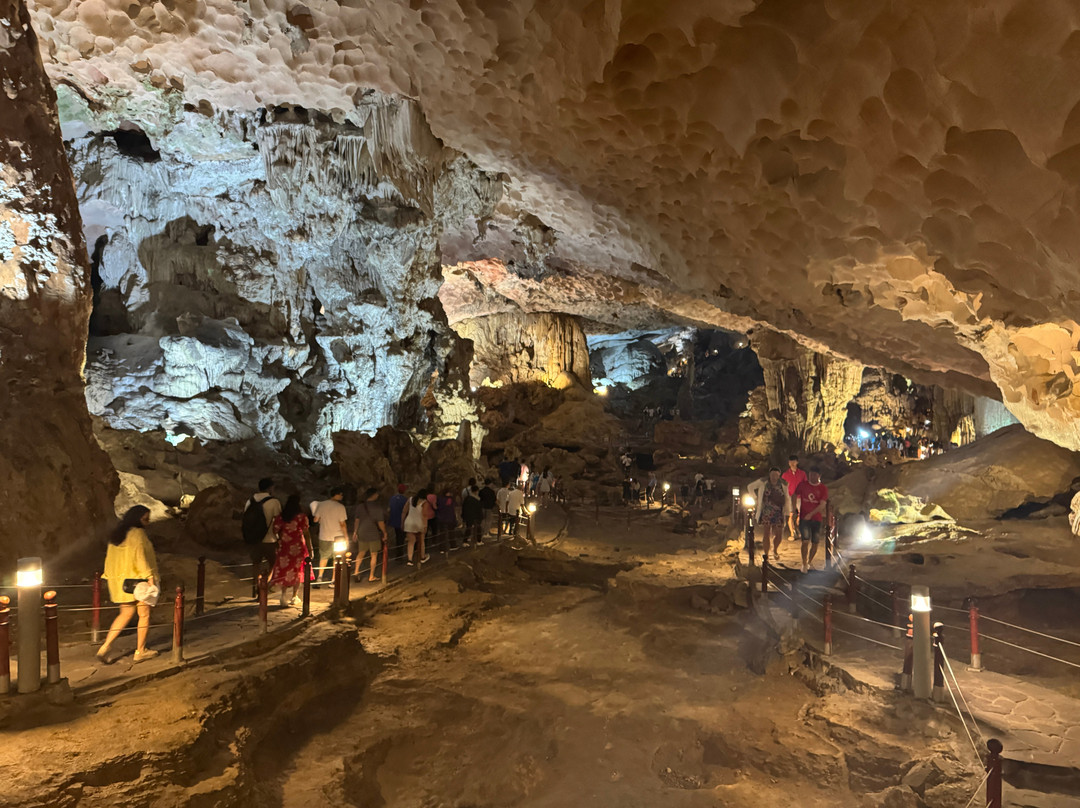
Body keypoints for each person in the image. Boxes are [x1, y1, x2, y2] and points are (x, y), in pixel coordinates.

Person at [98, 506, 160, 663]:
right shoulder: (137, 534)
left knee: (125, 614)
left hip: (121, 583)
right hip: (139, 582)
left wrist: (109, 577)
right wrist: (150, 578)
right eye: (145, 518)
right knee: (144, 615)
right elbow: (140, 557)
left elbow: (109, 560)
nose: (148, 521)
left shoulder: (117, 535)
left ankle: (105, 646)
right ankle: (141, 651)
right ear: (137, 518)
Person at [271, 494, 312, 607]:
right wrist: (310, 548)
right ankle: (294, 596)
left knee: (284, 570)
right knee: (297, 570)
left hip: (284, 546)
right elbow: (306, 533)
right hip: (298, 546)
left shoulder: (282, 516)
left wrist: (281, 538)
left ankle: (283, 596)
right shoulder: (301, 517)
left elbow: (275, 530)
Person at [747, 467, 791, 562]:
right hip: (766, 511)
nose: (774, 477)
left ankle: (775, 549)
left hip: (779, 511)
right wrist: (755, 498)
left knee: (779, 534)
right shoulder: (763, 482)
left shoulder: (783, 484)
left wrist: (788, 511)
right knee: (766, 532)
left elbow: (787, 498)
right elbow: (750, 487)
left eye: (776, 475)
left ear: (779, 476)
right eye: (772, 475)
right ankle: (766, 554)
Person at [244, 477, 281, 585]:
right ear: (270, 488)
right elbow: (278, 521)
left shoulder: (250, 501)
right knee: (273, 563)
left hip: (253, 539)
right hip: (269, 539)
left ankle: (257, 585)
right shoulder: (274, 502)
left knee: (256, 563)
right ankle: (266, 585)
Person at [794, 469, 829, 573]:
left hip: (816, 518)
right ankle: (804, 562)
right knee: (805, 540)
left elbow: (822, 504)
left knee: (815, 542)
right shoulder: (803, 485)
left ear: (819, 475)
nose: (812, 477)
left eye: (814, 474)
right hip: (804, 517)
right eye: (810, 474)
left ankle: (809, 561)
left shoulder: (822, 488)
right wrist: (794, 508)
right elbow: (795, 494)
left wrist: (811, 514)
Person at [352, 487, 387, 582]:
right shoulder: (377, 507)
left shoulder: (360, 506)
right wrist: (384, 533)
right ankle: (371, 575)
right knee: (374, 554)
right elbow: (380, 522)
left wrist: (355, 532)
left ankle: (356, 571)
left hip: (362, 533)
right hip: (373, 533)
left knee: (361, 553)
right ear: (374, 495)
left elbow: (357, 521)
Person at [314, 487, 348, 581]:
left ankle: (319, 577)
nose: (342, 496)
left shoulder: (321, 505)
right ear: (336, 495)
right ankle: (334, 579)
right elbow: (342, 524)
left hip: (324, 535)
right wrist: (346, 537)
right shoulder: (340, 507)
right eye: (340, 494)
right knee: (337, 558)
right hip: (338, 536)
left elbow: (315, 519)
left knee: (323, 557)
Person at [402, 489, 432, 566]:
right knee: (421, 541)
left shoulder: (410, 499)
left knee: (411, 542)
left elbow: (404, 511)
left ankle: (410, 560)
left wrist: (402, 522)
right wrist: (425, 526)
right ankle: (422, 557)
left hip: (409, 523)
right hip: (419, 523)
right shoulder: (424, 502)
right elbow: (424, 515)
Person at [781, 456, 807, 541]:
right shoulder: (785, 475)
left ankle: (798, 529)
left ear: (797, 462)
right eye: (790, 462)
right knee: (791, 515)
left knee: (801, 515)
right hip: (789, 497)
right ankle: (793, 533)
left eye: (794, 461)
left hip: (800, 497)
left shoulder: (802, 474)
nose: (792, 463)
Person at [388, 484, 408, 556]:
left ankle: (398, 551)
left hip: (394, 520)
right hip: (402, 521)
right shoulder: (405, 500)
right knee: (401, 538)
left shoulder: (392, 498)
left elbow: (389, 508)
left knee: (397, 536)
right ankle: (399, 553)